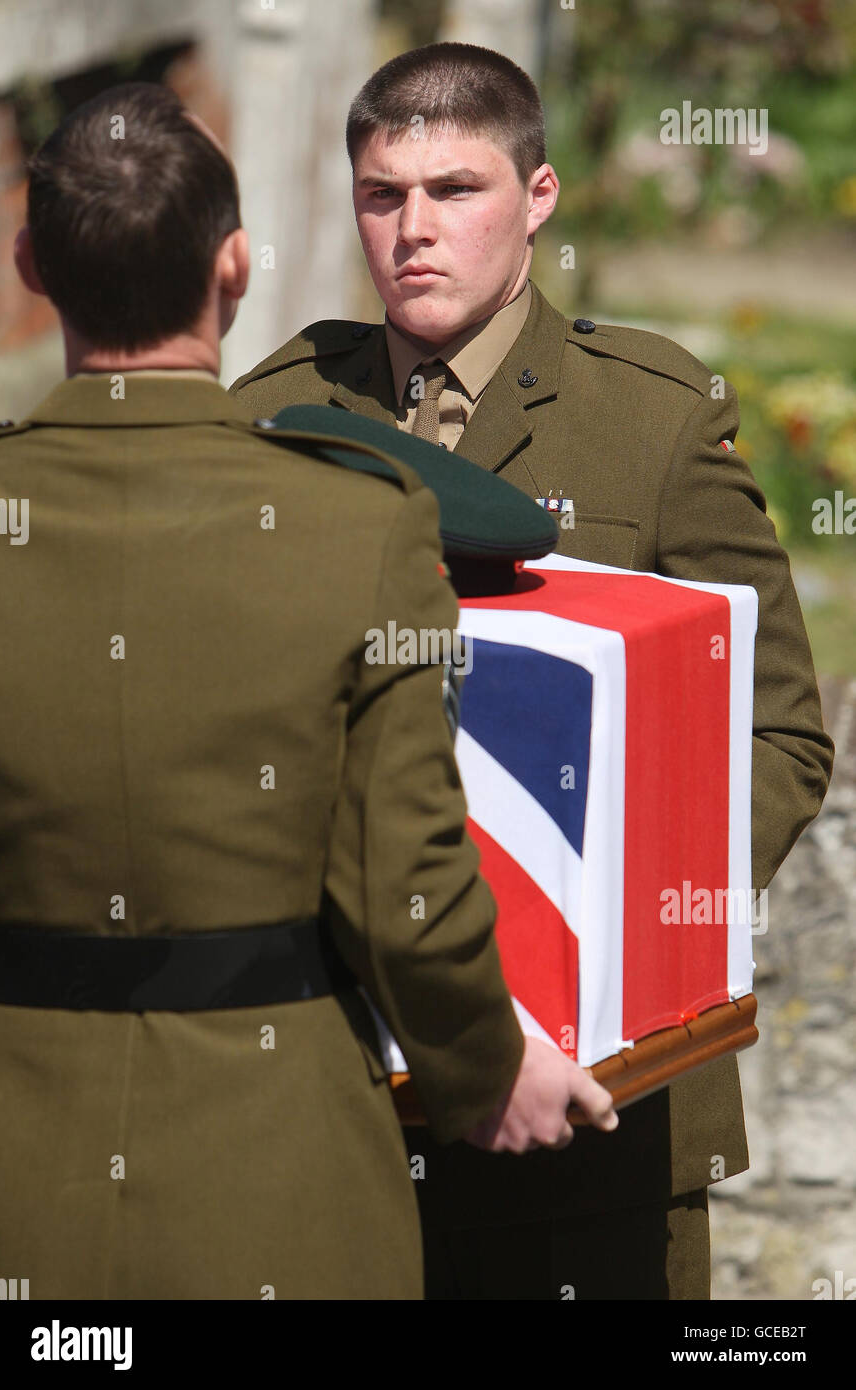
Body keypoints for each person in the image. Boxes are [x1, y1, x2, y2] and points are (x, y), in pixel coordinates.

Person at [0, 80, 617, 1301]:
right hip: (270, 1181)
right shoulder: (355, 529)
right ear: (232, 268)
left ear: (28, 267)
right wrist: (483, 1067)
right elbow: (404, 883)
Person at [230, 41, 835, 1300]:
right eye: (382, 195)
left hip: (592, 1122)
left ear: (538, 196)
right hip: (339, 1101)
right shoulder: (281, 412)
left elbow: (778, 733)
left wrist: (636, 920)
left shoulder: (650, 419)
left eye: (456, 191)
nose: (413, 230)